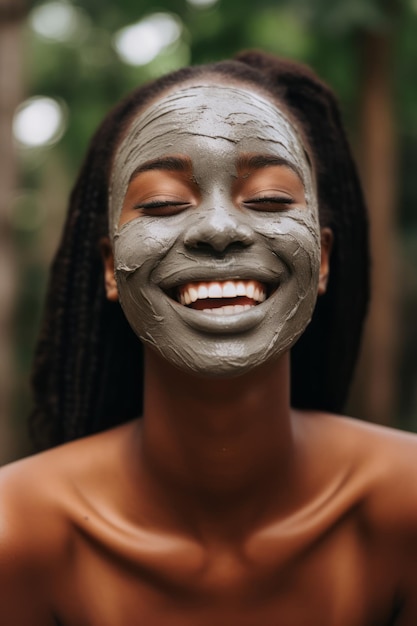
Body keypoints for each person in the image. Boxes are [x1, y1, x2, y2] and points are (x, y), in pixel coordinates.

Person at [0, 49, 416, 625]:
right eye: (164, 203)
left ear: (321, 260)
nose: (219, 230)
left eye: (269, 199)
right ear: (110, 266)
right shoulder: (16, 532)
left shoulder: (407, 509)